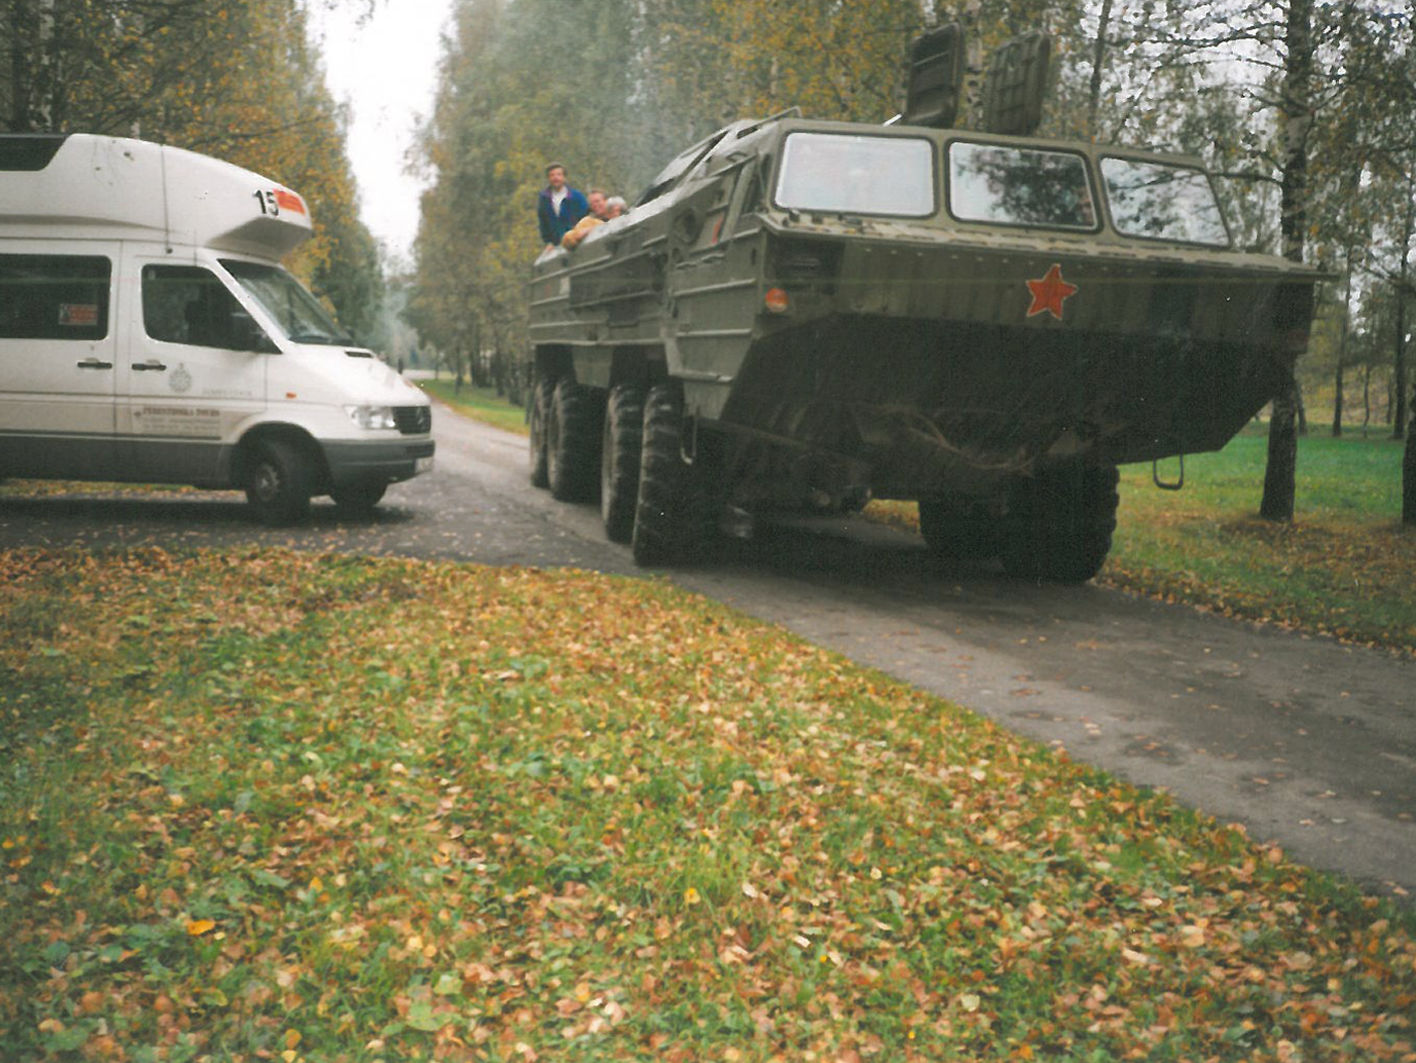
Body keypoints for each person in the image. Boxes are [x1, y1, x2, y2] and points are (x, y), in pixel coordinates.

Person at [537, 163, 589, 251]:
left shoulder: (576, 196)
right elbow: (543, 223)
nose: (555, 178)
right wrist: (549, 242)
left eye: (558, 174)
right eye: (552, 175)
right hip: (557, 246)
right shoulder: (544, 199)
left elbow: (586, 217)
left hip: (578, 241)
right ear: (548, 178)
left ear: (564, 177)